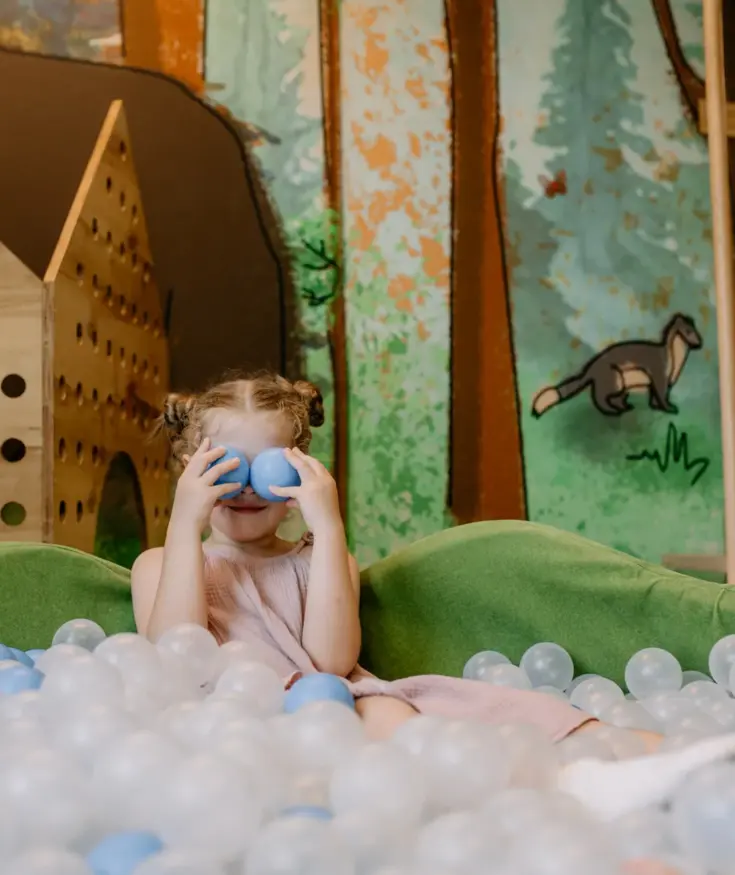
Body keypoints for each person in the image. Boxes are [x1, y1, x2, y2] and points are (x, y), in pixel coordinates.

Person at [131, 372, 735, 821]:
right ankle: (560, 791)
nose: (244, 487)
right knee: (395, 724)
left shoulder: (318, 556)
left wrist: (332, 524)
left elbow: (333, 662)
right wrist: (185, 522)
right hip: (241, 720)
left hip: (340, 698)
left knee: (498, 709)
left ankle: (694, 758)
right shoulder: (163, 563)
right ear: (188, 466)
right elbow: (176, 657)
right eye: (225, 467)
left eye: (267, 467)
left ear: (299, 471)